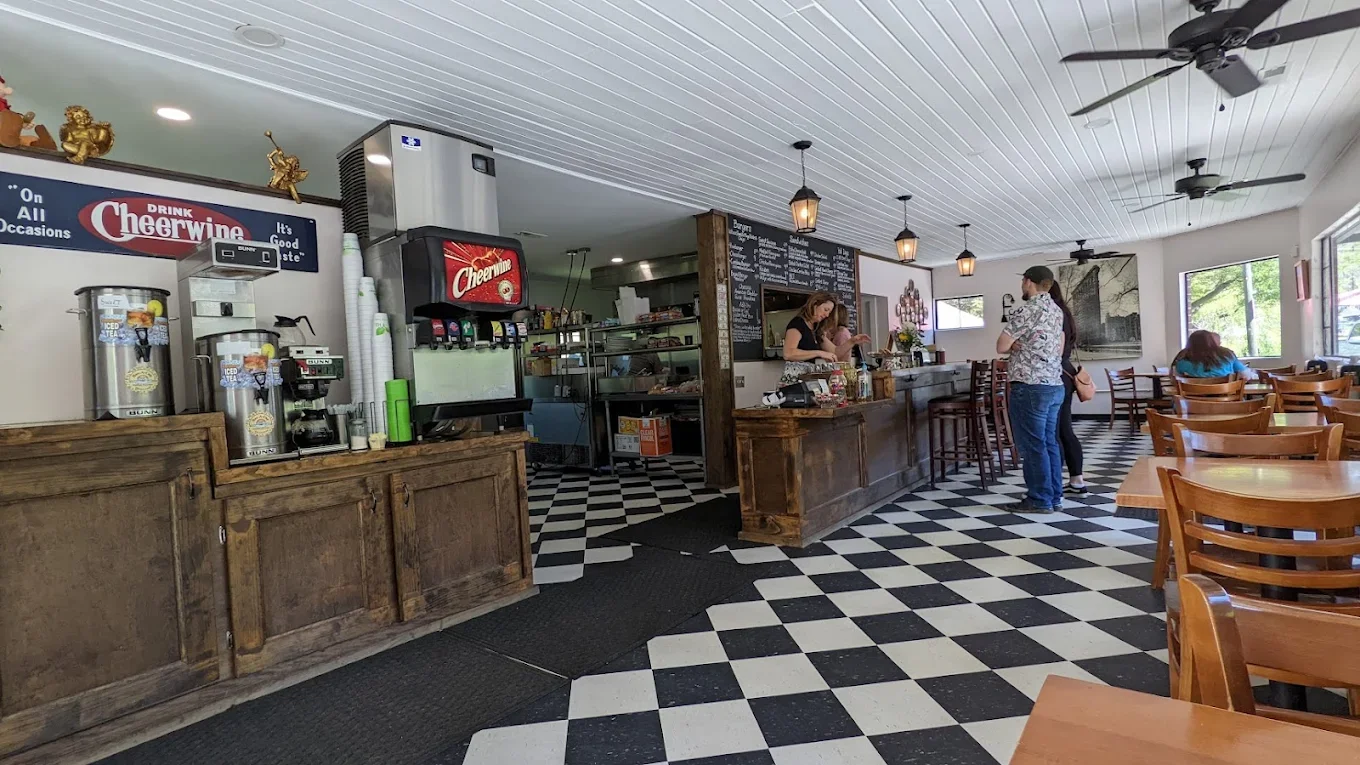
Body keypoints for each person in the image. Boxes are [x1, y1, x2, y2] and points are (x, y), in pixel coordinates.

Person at [996, 266, 1066, 513]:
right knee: (1049, 443)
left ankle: (1039, 499)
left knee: (1033, 445)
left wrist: (1016, 345)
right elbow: (1057, 346)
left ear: (1028, 282)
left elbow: (1001, 346)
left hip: (1030, 385)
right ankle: (1054, 496)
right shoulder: (1056, 311)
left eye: (1023, 282)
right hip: (1054, 385)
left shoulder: (1026, 310)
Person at [1048, 282, 1086, 495]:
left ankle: (1057, 481)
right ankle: (1076, 479)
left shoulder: (1053, 313)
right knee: (1064, 429)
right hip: (1067, 372)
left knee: (1056, 431)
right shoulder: (1066, 312)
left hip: (1056, 374)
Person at [781, 292, 867, 383]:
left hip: (807, 379)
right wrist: (819, 353)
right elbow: (788, 353)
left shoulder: (816, 329)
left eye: (829, 312)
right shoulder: (798, 323)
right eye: (825, 310)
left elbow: (834, 352)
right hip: (793, 380)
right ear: (815, 304)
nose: (826, 315)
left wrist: (852, 341)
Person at [1172, 330, 1249, 378]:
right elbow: (1246, 376)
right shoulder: (1228, 355)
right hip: (1228, 401)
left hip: (1191, 403)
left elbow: (1174, 380)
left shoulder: (1182, 362)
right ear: (1211, 341)